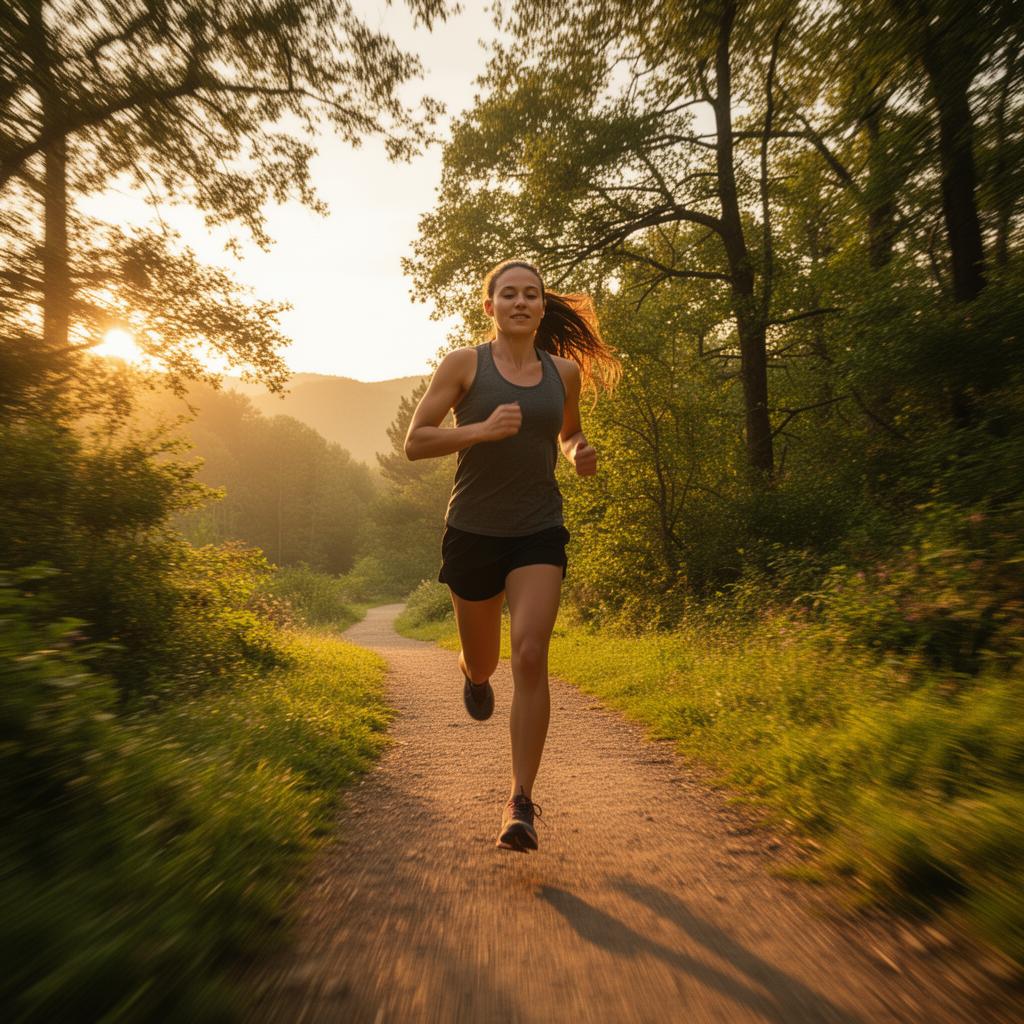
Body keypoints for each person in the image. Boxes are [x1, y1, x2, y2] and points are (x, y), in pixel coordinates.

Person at [404, 259, 619, 852]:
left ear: (542, 308)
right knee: (488, 662)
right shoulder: (464, 365)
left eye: (531, 295)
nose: (520, 302)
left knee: (529, 653)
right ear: (490, 306)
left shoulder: (564, 373)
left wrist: (578, 451)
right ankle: (473, 677)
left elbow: (566, 432)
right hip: (472, 530)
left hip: (537, 529)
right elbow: (415, 442)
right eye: (509, 294)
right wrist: (477, 431)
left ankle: (519, 801)